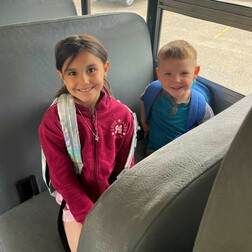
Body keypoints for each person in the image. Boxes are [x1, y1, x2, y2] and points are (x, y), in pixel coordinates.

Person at [38, 34, 136, 252]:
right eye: (72, 73)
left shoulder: (123, 116)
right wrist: (89, 216)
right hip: (75, 200)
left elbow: (124, 168)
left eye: (91, 69)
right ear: (61, 76)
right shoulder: (55, 121)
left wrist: (118, 202)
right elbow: (62, 178)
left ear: (105, 68)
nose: (83, 81)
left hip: (110, 194)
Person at [140, 39, 214, 155]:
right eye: (168, 74)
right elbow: (144, 101)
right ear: (159, 74)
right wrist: (144, 124)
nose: (175, 80)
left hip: (181, 155)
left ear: (195, 72)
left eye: (184, 73)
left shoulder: (200, 106)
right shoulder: (153, 91)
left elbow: (208, 132)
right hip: (153, 150)